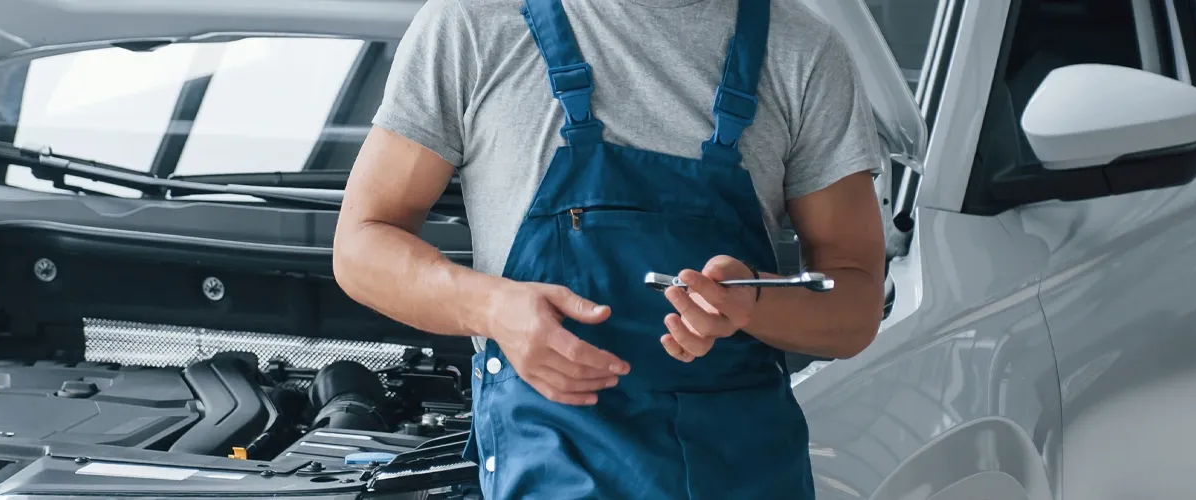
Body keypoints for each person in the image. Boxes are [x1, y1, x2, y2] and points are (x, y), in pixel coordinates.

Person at [331, 0, 889, 496]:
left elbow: (855, 302)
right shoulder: (473, 24)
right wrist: (493, 308)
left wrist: (752, 304)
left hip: (743, 473)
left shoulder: (804, 50)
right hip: (549, 468)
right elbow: (362, 244)